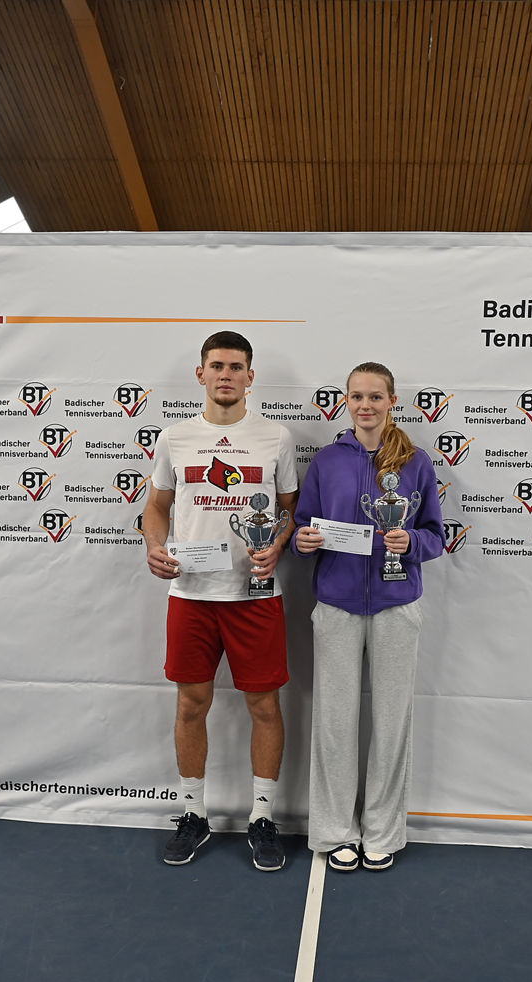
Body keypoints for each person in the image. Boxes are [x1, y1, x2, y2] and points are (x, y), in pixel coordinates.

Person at [141, 331, 298, 871]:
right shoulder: (174, 438)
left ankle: (261, 818)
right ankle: (193, 815)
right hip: (191, 595)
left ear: (251, 377)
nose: (226, 374)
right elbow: (156, 507)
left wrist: (275, 544)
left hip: (255, 597)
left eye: (236, 366)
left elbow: (287, 510)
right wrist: (154, 545)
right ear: (200, 374)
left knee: (264, 706)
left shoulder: (276, 437)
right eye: (217, 366)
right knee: (190, 705)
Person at [291, 362, 444, 872]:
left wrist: (411, 541)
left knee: (392, 721)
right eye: (356, 396)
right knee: (334, 722)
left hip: (397, 604)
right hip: (336, 604)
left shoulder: (416, 462)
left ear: (392, 400)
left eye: (375, 396)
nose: (365, 405)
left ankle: (382, 831)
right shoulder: (328, 461)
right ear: (346, 401)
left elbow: (436, 536)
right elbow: (300, 527)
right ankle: (336, 830)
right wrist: (304, 540)